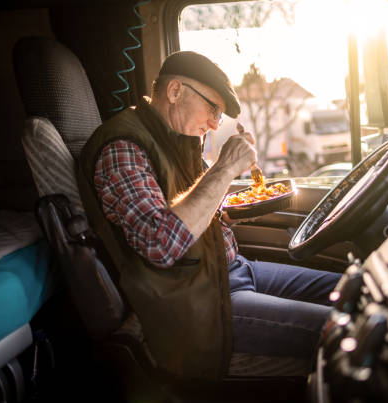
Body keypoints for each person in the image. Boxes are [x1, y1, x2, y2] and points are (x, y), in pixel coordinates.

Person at [76, 51, 341, 379]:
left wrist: (235, 207)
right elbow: (162, 243)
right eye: (212, 108)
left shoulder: (176, 139)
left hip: (228, 270)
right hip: (193, 300)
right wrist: (226, 167)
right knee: (348, 330)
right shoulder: (122, 148)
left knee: (352, 291)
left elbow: (194, 207)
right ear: (174, 92)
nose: (217, 123)